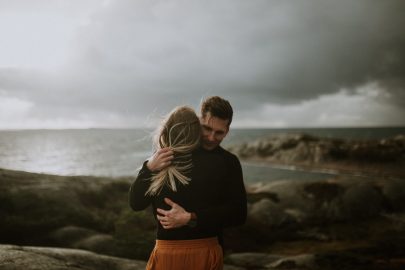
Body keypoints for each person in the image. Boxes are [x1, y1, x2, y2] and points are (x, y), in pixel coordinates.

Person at [129, 97, 247, 270]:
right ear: (198, 122)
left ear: (227, 131)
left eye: (219, 132)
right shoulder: (167, 157)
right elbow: (136, 203)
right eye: (206, 128)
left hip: (207, 252)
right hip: (167, 252)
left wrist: (191, 217)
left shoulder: (229, 162)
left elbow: (238, 214)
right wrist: (148, 168)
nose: (211, 137)